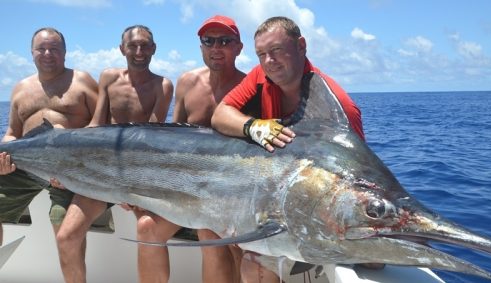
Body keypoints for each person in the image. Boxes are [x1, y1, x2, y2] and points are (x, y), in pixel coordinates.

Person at [211, 16, 366, 282]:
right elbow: (220, 115)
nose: (269, 61)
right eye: (262, 54)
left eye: (277, 50)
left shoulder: (341, 107)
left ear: (301, 46)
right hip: (273, 201)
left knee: (255, 266)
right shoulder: (261, 74)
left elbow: (356, 179)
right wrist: (252, 126)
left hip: (314, 215)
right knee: (215, 232)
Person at [55, 25, 173, 283]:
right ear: (122, 49)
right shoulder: (108, 76)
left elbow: (148, 143)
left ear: (154, 49)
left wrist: (128, 187)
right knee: (66, 237)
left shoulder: (162, 86)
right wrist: (63, 151)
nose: (139, 51)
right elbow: (96, 126)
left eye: (145, 45)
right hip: (101, 173)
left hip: (139, 177)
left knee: (150, 235)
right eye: (133, 46)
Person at [133, 15, 246, 283]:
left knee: (209, 232)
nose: (216, 47)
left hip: (230, 192)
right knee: (147, 227)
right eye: (209, 41)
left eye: (225, 41)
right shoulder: (186, 82)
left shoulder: (250, 87)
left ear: (239, 48)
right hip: (185, 189)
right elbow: (172, 142)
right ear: (201, 47)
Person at [0, 27, 98, 247]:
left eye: (54, 48)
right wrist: (3, 160)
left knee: (63, 229)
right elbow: (12, 134)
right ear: (31, 52)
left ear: (65, 52)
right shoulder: (20, 88)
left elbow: (102, 125)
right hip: (26, 167)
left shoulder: (82, 81)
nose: (47, 54)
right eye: (41, 49)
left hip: (70, 172)